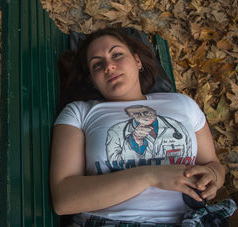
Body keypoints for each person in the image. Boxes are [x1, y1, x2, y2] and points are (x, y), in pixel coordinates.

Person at [50, 28, 227, 226]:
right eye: (97, 65)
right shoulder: (79, 113)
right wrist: (150, 176)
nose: (109, 66)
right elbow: (64, 199)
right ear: (92, 80)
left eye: (117, 55)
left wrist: (213, 176)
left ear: (137, 61)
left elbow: (213, 163)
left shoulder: (183, 104)